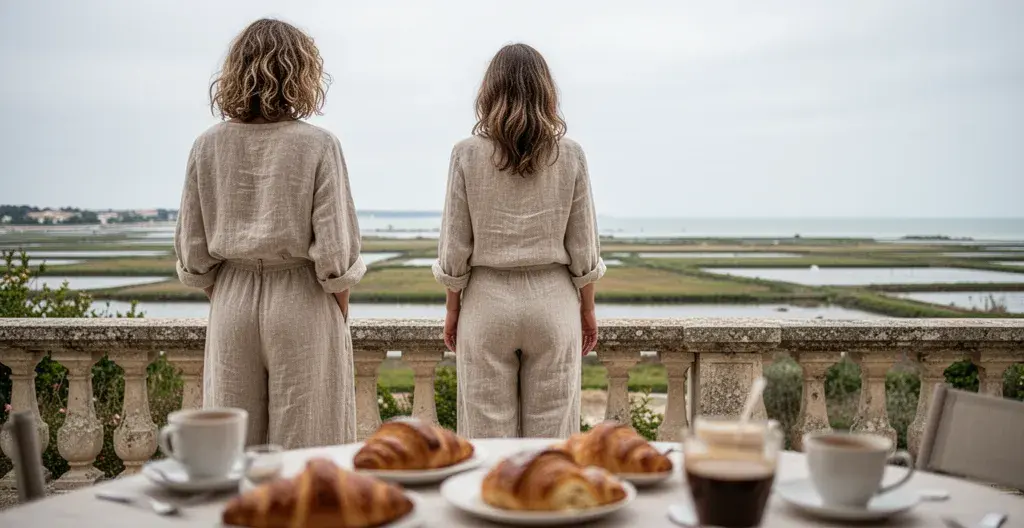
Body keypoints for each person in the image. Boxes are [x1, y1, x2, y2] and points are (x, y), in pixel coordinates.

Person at [174, 19, 364, 448]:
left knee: (232, 452)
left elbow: (193, 251)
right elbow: (335, 253)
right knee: (309, 447)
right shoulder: (318, 144)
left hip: (231, 302)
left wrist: (230, 293)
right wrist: (339, 313)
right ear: (302, 72)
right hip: (302, 299)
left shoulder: (207, 145)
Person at [433, 43, 604, 439]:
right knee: (554, 439)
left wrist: (453, 309)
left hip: (487, 303)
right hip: (552, 301)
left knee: (485, 437)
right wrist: (588, 310)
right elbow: (584, 247)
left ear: (489, 91)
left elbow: (455, 248)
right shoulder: (571, 154)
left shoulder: (466, 154)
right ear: (546, 91)